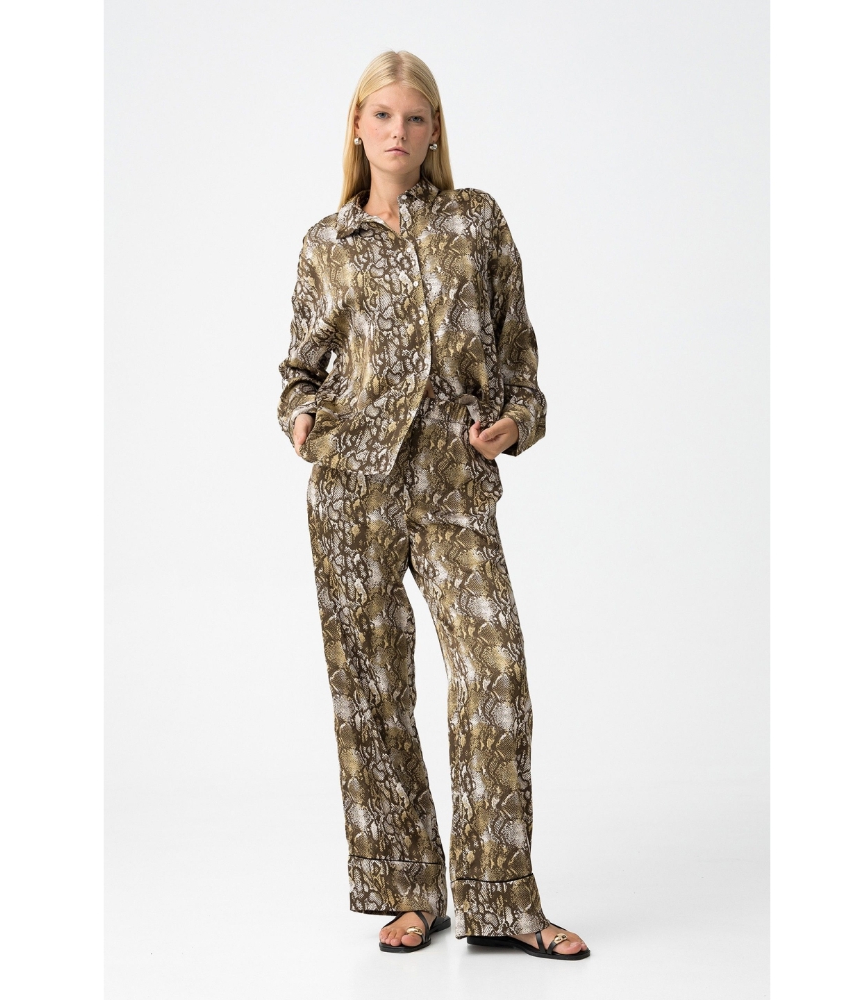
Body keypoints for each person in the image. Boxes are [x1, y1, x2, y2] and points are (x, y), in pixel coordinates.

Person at [277, 49, 589, 961]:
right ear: (357, 126)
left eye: (415, 118)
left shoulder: (475, 221)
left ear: (435, 130)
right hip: (354, 490)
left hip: (453, 486)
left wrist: (517, 422)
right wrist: (302, 419)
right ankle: (409, 890)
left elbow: (519, 353)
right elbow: (298, 369)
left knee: (493, 674)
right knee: (373, 688)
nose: (399, 132)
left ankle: (504, 901)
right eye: (383, 116)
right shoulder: (327, 243)